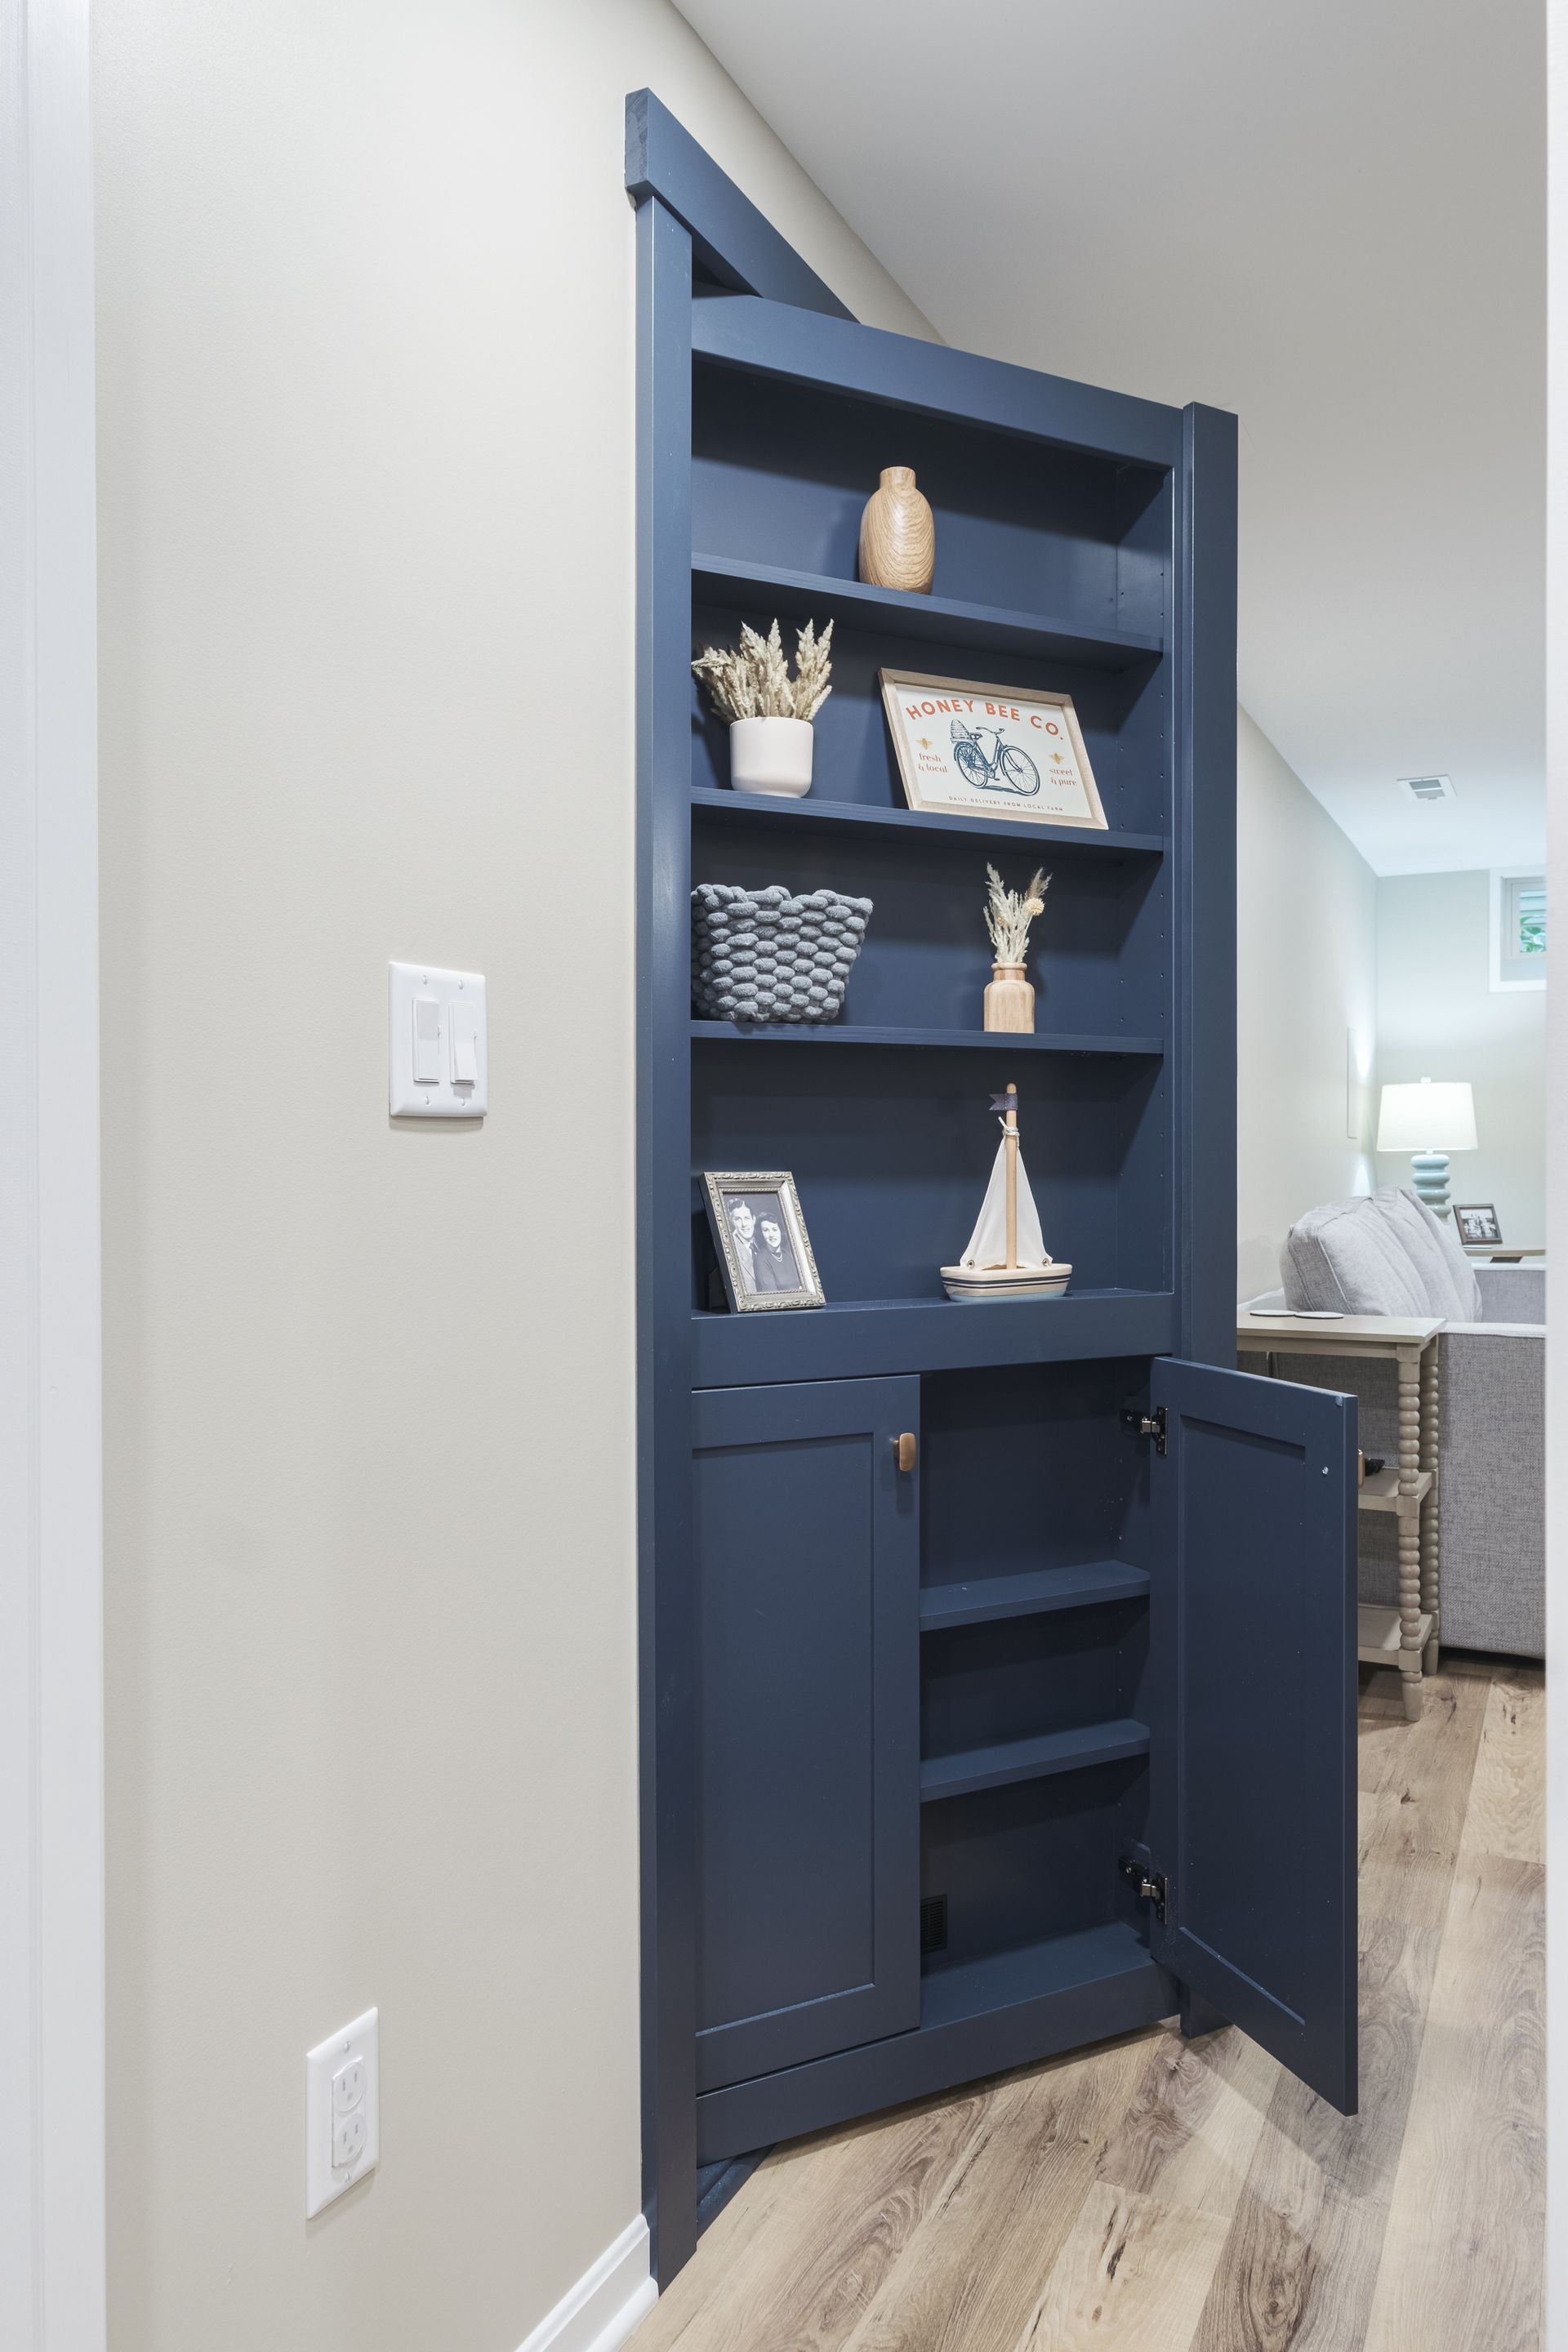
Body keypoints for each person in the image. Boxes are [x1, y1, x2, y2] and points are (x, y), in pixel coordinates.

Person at [752, 1211, 799, 1292]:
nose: (771, 1235)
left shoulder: (789, 1255)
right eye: (766, 1230)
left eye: (774, 1229)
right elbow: (772, 1296)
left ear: (780, 1231)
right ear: (761, 1234)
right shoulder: (761, 1260)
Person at [726, 1196, 760, 1292]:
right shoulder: (729, 1249)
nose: (744, 1224)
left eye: (747, 1218)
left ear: (754, 1219)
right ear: (732, 1221)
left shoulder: (761, 1244)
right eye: (738, 1219)